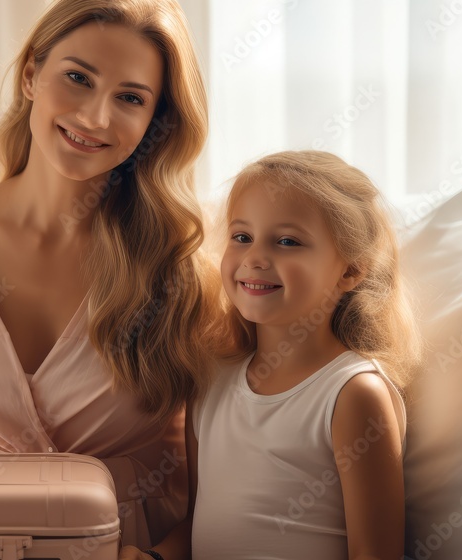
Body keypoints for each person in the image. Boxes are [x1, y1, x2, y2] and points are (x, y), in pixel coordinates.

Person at [0, 0, 218, 549]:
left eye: (130, 98)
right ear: (31, 75)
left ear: (153, 122)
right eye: (78, 78)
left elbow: (218, 469)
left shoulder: (181, 266)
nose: (96, 117)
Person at [121, 151, 423, 559]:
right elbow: (200, 523)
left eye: (287, 242)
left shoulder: (353, 395)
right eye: (242, 237)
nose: (255, 258)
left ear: (351, 270)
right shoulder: (211, 380)